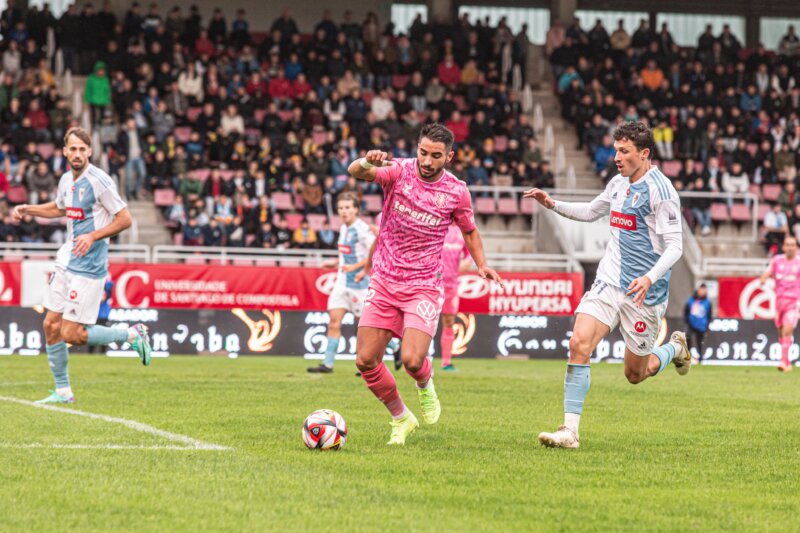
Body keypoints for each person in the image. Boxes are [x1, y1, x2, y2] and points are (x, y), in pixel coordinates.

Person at [525, 121, 690, 449]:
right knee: (578, 343)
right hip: (610, 281)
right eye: (615, 150)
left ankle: (675, 348)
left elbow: (675, 246)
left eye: (624, 151)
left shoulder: (662, 191)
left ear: (644, 154)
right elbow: (590, 211)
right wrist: (552, 204)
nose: (616, 157)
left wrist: (648, 277)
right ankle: (570, 432)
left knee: (635, 374)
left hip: (645, 293)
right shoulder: (617, 185)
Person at [348, 123, 504, 445]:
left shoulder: (456, 191)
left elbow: (469, 231)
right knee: (365, 360)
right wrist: (367, 161)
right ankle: (401, 417)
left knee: (412, 360)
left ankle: (425, 384)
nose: (427, 161)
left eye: (436, 156)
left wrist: (481, 264)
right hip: (385, 281)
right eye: (423, 153)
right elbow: (356, 173)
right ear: (416, 148)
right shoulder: (398, 170)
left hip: (422, 285)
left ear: (449, 156)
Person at [11, 128, 151, 404]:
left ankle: (131, 334)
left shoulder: (100, 181)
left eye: (81, 149)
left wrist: (94, 235)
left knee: (72, 334)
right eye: (72, 149)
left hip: (89, 266)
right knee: (51, 324)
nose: (77, 154)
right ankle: (63, 391)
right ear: (64, 151)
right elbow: (60, 208)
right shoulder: (65, 180)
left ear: (90, 152)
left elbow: (125, 219)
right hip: (67, 259)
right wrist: (29, 209)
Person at [307, 193, 375, 373]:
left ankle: (392, 348)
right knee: (334, 322)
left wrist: (358, 268)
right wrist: (336, 262)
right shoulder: (344, 228)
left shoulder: (363, 230)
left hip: (360, 285)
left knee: (365, 327)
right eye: (341, 208)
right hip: (342, 282)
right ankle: (327, 364)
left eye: (347, 208)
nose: (344, 211)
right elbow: (347, 253)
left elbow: (374, 254)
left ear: (356, 210)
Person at [758, 235, 800, 372]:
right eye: (787, 245)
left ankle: (783, 361)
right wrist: (763, 279)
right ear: (783, 247)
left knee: (788, 329)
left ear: (796, 247)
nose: (789, 248)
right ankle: (786, 362)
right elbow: (767, 272)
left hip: (794, 302)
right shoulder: (777, 260)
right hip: (779, 302)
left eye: (792, 245)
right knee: (781, 331)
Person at [439, 223, 471, 371]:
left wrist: (467, 261)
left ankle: (446, 362)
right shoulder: (437, 226)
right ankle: (419, 359)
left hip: (451, 285)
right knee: (425, 321)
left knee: (449, 321)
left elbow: (469, 252)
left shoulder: (461, 232)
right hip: (431, 282)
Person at [684, 283, 712, 364]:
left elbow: (709, 315)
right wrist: (687, 321)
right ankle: (688, 356)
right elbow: (686, 312)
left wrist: (707, 325)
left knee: (700, 342)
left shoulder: (707, 302)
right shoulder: (691, 300)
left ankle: (700, 359)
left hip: (701, 325)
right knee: (688, 337)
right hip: (691, 324)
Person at [87, 276, 114, 355]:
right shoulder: (92, 292)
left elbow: (109, 286)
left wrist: (106, 279)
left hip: (103, 317)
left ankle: (103, 352)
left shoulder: (106, 291)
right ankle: (90, 353)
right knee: (92, 336)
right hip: (93, 317)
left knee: (104, 335)